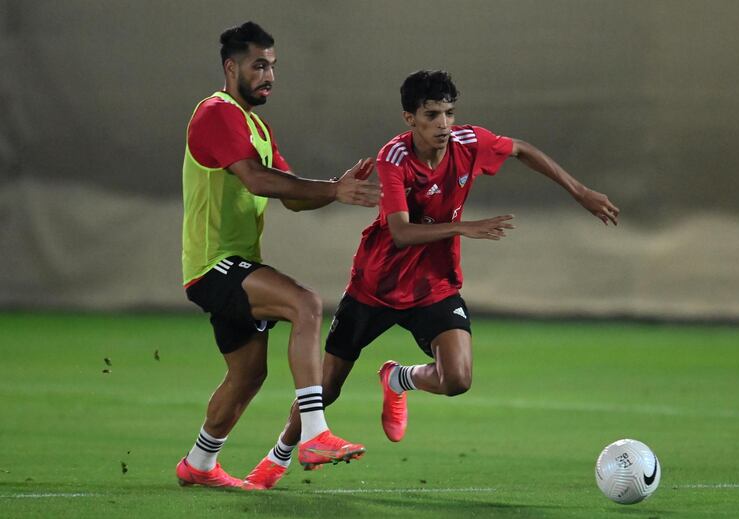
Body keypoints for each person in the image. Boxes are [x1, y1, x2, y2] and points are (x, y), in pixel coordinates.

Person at [269, 69, 620, 485]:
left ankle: (398, 377)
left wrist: (579, 192)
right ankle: (275, 460)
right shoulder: (394, 158)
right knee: (326, 390)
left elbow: (522, 150)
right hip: (375, 287)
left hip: (434, 285)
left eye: (450, 113)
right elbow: (400, 232)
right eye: (432, 114)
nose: (444, 125)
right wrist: (461, 227)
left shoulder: (469, 143)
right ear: (409, 118)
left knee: (458, 379)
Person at [176, 21, 379, 491]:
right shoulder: (216, 113)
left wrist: (337, 187)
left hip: (231, 262)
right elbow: (257, 180)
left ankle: (199, 464)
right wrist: (333, 189)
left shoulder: (256, 126)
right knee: (304, 303)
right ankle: (313, 434)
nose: (269, 75)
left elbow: (293, 197)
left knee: (248, 375)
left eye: (273, 66)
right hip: (213, 264)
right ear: (231, 67)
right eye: (259, 65)